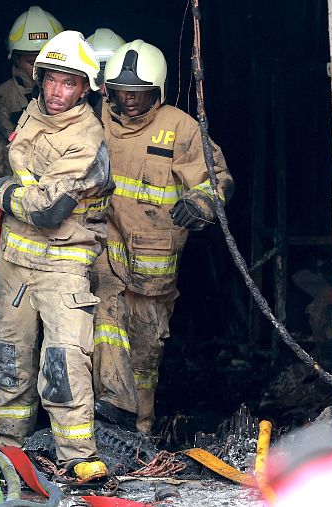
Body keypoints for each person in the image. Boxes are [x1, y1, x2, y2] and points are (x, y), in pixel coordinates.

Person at [0, 30, 114, 482]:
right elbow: (28, 186)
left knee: (64, 360)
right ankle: (5, 443)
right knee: (7, 353)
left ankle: (78, 454)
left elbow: (50, 210)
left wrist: (3, 193)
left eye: (68, 83)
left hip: (63, 263)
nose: (56, 91)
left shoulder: (88, 138)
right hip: (15, 261)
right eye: (51, 79)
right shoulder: (32, 113)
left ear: (85, 88)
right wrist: (19, 193)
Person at [91, 40, 234, 433]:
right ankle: (111, 409)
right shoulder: (93, 120)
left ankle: (139, 430)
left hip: (153, 266)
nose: (129, 99)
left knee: (144, 352)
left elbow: (218, 178)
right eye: (122, 91)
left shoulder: (180, 128)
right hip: (103, 248)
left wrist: (201, 203)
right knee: (106, 319)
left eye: (139, 92)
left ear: (157, 91)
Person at [0, 6, 63, 142]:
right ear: (16, 60)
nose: (41, 68)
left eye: (47, 60)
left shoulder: (73, 91)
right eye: (32, 62)